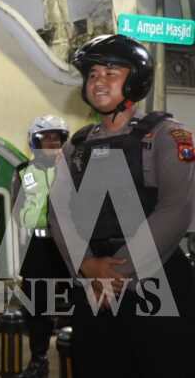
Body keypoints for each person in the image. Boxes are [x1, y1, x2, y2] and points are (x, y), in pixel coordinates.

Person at [50, 34, 195, 377]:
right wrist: (86, 265)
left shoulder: (167, 135)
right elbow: (59, 213)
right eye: (93, 74)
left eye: (111, 72)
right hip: (94, 288)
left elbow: (175, 209)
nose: (99, 81)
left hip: (156, 282)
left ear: (136, 79)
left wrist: (114, 272)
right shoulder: (76, 147)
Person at [11, 116, 70, 378]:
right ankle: (39, 359)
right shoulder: (24, 171)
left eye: (57, 137)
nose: (52, 141)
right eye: (46, 137)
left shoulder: (74, 169)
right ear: (35, 141)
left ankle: (77, 358)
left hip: (70, 246)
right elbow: (18, 210)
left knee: (79, 303)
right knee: (36, 306)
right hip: (38, 246)